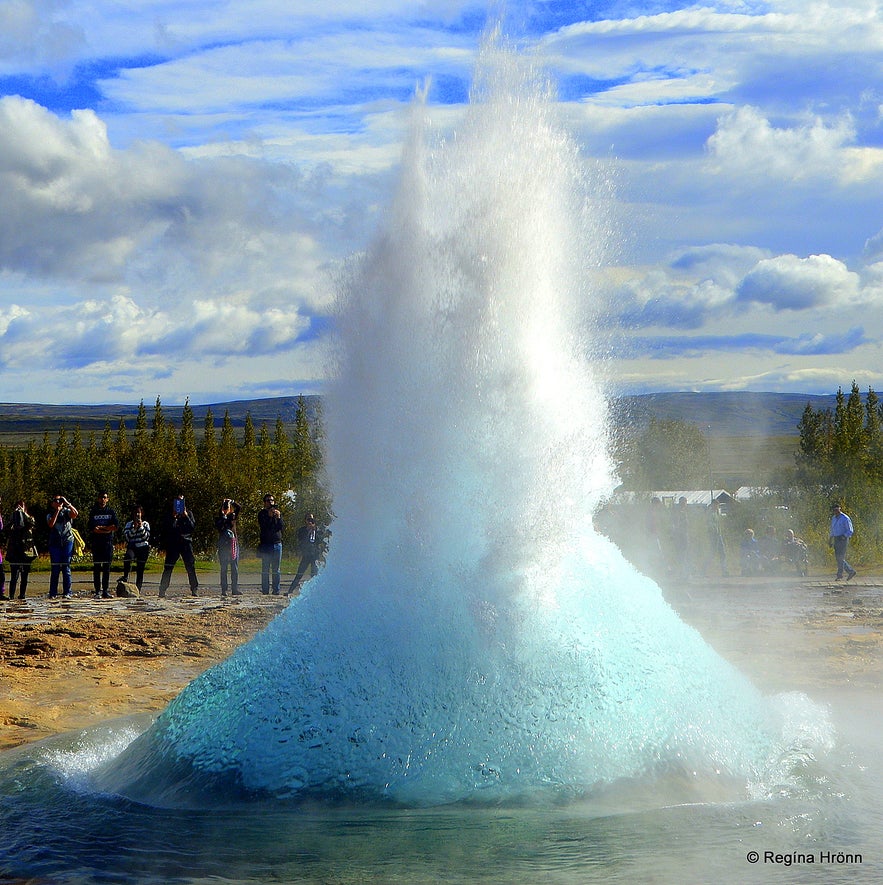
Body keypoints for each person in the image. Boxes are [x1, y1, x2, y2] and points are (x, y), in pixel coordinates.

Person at [157, 494, 199, 598]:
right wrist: (173, 517)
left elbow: (192, 528)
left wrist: (186, 516)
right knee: (168, 567)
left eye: (181, 501)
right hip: (173, 544)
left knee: (190, 567)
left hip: (186, 543)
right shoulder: (170, 515)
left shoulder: (189, 513)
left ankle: (194, 589)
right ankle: (162, 590)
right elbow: (166, 529)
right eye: (177, 502)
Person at [288, 511, 329, 595]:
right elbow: (301, 540)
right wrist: (308, 531)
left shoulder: (318, 530)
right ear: (305, 520)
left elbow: (320, 540)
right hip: (306, 554)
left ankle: (316, 592)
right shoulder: (302, 530)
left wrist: (315, 531)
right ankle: (290, 590)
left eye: (312, 519)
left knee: (314, 573)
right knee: (300, 572)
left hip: (315, 554)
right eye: (308, 519)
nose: (310, 521)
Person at [47, 494, 79, 599]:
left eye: (60, 500)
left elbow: (75, 514)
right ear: (52, 503)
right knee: (55, 568)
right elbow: (51, 524)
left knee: (66, 567)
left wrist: (67, 503)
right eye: (56, 500)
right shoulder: (50, 513)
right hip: (55, 542)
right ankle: (53, 593)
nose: (58, 502)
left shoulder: (66, 512)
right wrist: (57, 510)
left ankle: (67, 592)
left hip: (67, 541)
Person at [88, 491, 118, 598]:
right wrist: (106, 529)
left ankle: (105, 590)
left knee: (107, 567)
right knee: (97, 567)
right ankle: (97, 591)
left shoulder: (111, 511)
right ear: (98, 499)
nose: (102, 499)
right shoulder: (94, 511)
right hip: (96, 543)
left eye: (104, 497)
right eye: (101, 497)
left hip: (108, 543)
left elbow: (115, 526)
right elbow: (93, 528)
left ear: (107, 499)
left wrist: (103, 528)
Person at [7, 500, 36, 600]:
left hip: (26, 551)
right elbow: (6, 529)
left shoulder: (29, 519)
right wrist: (14, 515)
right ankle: (11, 596)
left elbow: (32, 523)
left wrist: (24, 513)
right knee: (14, 576)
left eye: (21, 507)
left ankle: (22, 595)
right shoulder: (13, 520)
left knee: (24, 576)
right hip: (14, 551)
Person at [257, 493, 284, 595]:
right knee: (265, 569)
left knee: (276, 569)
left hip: (277, 544)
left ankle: (276, 590)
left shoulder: (277, 513)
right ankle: (265, 590)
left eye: (272, 500)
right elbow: (264, 527)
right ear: (264, 503)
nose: (270, 502)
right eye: (268, 500)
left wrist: (279, 517)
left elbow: (281, 527)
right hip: (266, 545)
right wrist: (269, 516)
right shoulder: (262, 514)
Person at [215, 497, 241, 597]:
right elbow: (219, 527)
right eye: (225, 507)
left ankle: (235, 589)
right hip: (223, 546)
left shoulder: (233, 516)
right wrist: (223, 515)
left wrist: (232, 502)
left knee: (234, 567)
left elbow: (239, 508)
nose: (226, 508)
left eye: (228, 507)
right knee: (224, 568)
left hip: (233, 544)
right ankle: (224, 589)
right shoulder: (219, 518)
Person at [122, 505, 151, 591]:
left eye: (139, 512)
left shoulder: (146, 524)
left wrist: (141, 527)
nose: (137, 515)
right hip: (132, 547)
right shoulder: (129, 524)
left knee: (140, 568)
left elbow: (146, 537)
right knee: (128, 557)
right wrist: (134, 528)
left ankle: (138, 588)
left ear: (142, 514)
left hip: (143, 547)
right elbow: (127, 538)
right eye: (136, 513)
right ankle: (126, 576)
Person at [829, 503, 856, 581]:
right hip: (836, 539)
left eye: (837, 510)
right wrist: (830, 539)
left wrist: (844, 536)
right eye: (834, 510)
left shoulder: (845, 518)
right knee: (838, 558)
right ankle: (849, 571)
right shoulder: (833, 518)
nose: (836, 511)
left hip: (843, 539)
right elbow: (832, 530)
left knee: (840, 557)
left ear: (840, 509)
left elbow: (850, 530)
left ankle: (841, 574)